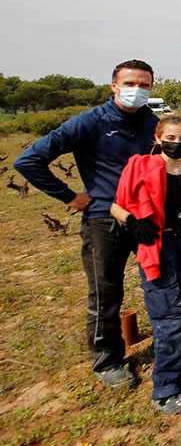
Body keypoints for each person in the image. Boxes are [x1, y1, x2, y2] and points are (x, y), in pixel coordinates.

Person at [14, 59, 159, 389]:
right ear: (114, 86)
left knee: (158, 281)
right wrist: (69, 196)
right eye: (131, 83)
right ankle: (107, 360)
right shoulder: (90, 122)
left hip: (146, 219)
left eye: (145, 85)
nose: (137, 90)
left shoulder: (153, 123)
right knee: (105, 292)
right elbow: (28, 160)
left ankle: (169, 344)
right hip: (103, 220)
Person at [110, 115, 181, 414]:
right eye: (171, 138)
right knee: (170, 316)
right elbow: (116, 205)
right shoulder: (141, 168)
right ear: (158, 138)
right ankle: (165, 388)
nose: (176, 143)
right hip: (159, 245)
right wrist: (133, 221)